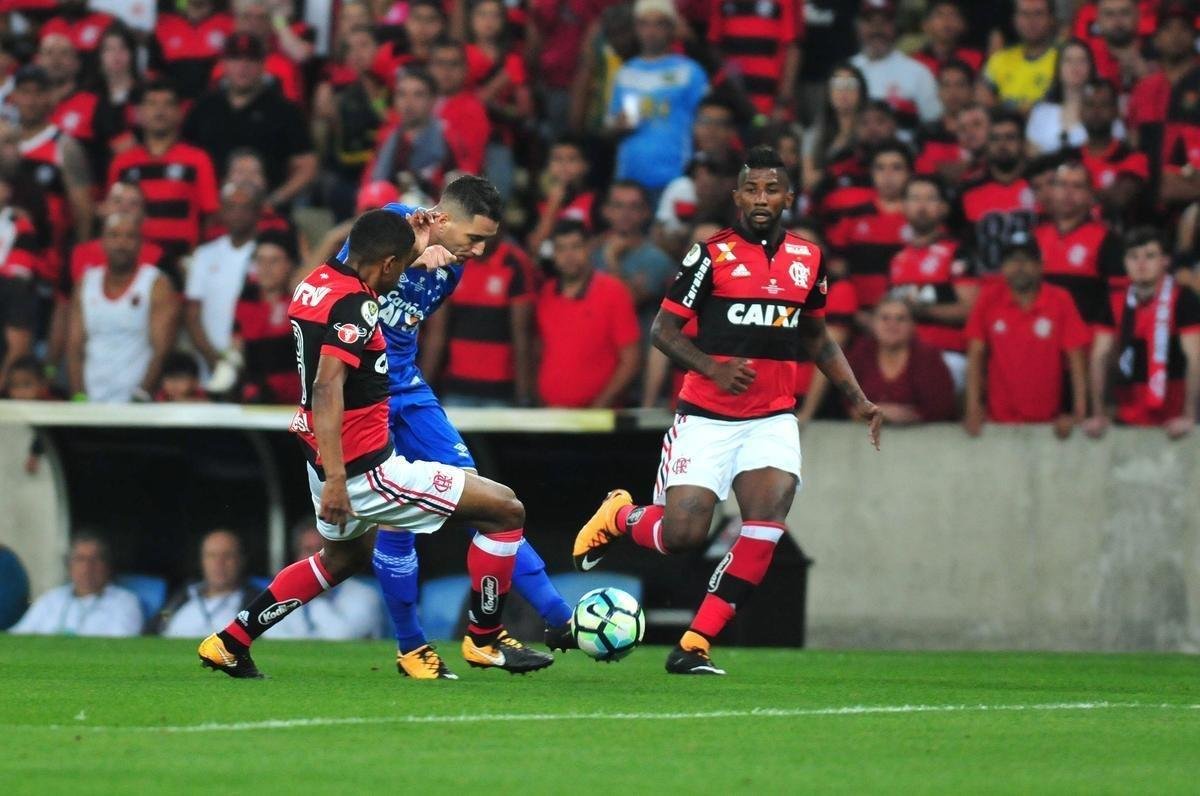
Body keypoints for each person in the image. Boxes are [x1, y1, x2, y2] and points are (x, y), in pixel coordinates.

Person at [197, 208, 555, 678]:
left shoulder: (316, 283)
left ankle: (229, 641)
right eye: (403, 263)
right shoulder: (359, 306)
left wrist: (417, 240)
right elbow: (328, 387)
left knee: (341, 558)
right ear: (386, 264)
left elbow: (371, 258)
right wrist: (341, 483)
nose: (407, 271)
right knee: (505, 510)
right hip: (366, 469)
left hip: (319, 454)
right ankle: (485, 639)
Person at [572, 146, 883, 675]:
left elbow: (816, 336)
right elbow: (662, 332)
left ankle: (695, 643)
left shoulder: (809, 260)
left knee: (767, 522)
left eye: (772, 189)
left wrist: (856, 396)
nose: (762, 199)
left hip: (772, 417)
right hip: (706, 414)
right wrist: (713, 368)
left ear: (788, 196)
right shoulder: (709, 256)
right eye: (752, 190)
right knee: (683, 536)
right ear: (737, 196)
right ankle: (621, 516)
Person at [337, 178, 575, 678]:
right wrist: (407, 257)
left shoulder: (451, 275)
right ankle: (412, 648)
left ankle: (553, 619)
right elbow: (338, 283)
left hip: (407, 390)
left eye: (488, 241)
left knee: (487, 501)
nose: (480, 251)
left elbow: (403, 333)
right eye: (474, 238)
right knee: (396, 526)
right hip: (360, 398)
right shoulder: (392, 222)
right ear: (442, 220)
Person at [963, 241, 1090, 437]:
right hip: (997, 423)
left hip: (1048, 424)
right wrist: (972, 408)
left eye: (1026, 260)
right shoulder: (989, 298)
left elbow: (1076, 357)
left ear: (1040, 266)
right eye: (1012, 261)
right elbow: (975, 353)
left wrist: (1078, 413)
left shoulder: (1060, 299)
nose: (1019, 267)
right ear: (1003, 268)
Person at [182, 33, 316, 212]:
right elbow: (184, 155)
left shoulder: (284, 110)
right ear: (224, 64)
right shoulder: (204, 107)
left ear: (263, 65)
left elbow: (307, 166)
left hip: (266, 210)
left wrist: (275, 199)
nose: (243, 66)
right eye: (235, 58)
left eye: (251, 59)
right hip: (211, 210)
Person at [1087, 227, 1200, 438]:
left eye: (1150, 256)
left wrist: (1190, 416)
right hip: (1127, 414)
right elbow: (1098, 356)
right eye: (1133, 257)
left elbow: (1195, 358)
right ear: (1124, 262)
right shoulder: (1114, 301)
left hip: (1173, 417)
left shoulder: (1183, 299)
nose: (1140, 264)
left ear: (1165, 261)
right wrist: (1098, 413)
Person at [65, 213, 178, 402]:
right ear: (102, 242)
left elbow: (162, 349)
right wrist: (79, 395)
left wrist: (142, 393)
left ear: (141, 243)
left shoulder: (156, 284)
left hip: (135, 401)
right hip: (90, 398)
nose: (121, 243)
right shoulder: (86, 283)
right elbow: (74, 346)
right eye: (114, 235)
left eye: (129, 236)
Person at [606, 0, 708, 202]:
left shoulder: (689, 72)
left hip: (674, 176)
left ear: (671, 28)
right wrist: (618, 126)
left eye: (658, 24)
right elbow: (610, 124)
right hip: (630, 178)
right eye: (644, 24)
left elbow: (705, 125)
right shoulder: (626, 72)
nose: (650, 31)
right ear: (636, 28)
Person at [108, 79, 220, 262]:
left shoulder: (198, 159)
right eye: (151, 104)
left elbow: (210, 215)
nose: (159, 111)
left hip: (182, 260)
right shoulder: (122, 163)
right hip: (134, 260)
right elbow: (113, 215)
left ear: (179, 113)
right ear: (140, 113)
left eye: (167, 104)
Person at [420, 234, 536, 408]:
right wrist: (421, 390)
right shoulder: (452, 261)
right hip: (456, 387)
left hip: (501, 391)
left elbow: (522, 337)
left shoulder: (515, 263)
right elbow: (437, 334)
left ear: (499, 228)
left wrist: (524, 395)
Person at [537, 220, 641, 408]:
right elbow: (539, 351)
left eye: (576, 247)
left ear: (589, 248)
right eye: (561, 249)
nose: (569, 255)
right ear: (553, 254)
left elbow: (631, 360)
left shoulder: (613, 291)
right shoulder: (546, 293)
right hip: (550, 417)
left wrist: (601, 405)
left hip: (599, 422)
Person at [888, 174, 977, 386]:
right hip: (903, 357)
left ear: (944, 208)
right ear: (904, 206)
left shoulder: (958, 252)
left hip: (948, 356)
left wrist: (921, 311)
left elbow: (971, 310)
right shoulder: (897, 258)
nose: (922, 206)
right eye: (915, 198)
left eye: (930, 199)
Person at [1033, 160, 1124, 334]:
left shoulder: (1108, 240)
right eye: (1061, 185)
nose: (1068, 193)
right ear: (1051, 192)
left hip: (1086, 340)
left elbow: (1117, 301)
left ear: (1090, 196)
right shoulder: (1035, 237)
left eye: (1077, 186)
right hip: (1041, 336)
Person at [12, 64, 93, 257]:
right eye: (25, 92)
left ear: (49, 97)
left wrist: (80, 259)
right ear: (14, 96)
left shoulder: (65, 147)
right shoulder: (4, 143)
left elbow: (83, 212)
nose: (31, 101)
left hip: (47, 260)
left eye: (38, 93)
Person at [183, 181, 261, 381]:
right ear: (222, 212)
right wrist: (215, 360)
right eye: (231, 207)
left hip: (257, 363)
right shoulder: (204, 255)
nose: (238, 214)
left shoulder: (267, 255)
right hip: (210, 362)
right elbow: (192, 315)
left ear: (256, 211)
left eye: (245, 207)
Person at [825, 139, 912, 313]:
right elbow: (836, 266)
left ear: (909, 173)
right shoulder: (853, 217)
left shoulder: (918, 219)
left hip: (907, 316)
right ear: (871, 173)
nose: (888, 175)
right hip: (859, 316)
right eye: (880, 168)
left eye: (896, 168)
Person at [846, 298, 958, 423]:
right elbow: (848, 401)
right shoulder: (860, 352)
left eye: (901, 319)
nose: (892, 324)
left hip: (921, 435)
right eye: (885, 318)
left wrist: (907, 416)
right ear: (873, 324)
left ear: (912, 326)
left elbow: (942, 408)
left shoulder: (928, 356)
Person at [265, 525, 385, 640]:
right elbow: (271, 636)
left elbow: (343, 637)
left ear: (338, 555)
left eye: (321, 550)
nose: (314, 557)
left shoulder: (365, 594)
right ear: (297, 556)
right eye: (308, 550)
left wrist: (317, 596)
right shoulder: (285, 591)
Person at [957, 108, 1038, 277]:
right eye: (995, 139)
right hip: (987, 286)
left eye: (1010, 138)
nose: (1002, 145)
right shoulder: (968, 191)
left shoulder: (1039, 186)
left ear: (1023, 142)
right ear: (987, 144)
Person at [10, 535, 142, 637]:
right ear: (69, 566)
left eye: (95, 559)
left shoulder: (125, 602)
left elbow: (123, 645)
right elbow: (18, 636)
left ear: (107, 566)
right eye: (80, 559)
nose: (87, 567)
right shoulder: (51, 599)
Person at [593, 180, 676, 334]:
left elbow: (628, 301)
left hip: (636, 349)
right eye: (618, 206)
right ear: (606, 211)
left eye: (634, 207)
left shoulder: (657, 260)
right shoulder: (591, 251)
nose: (625, 213)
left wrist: (611, 259)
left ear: (646, 212)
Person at [850, 0, 942, 133]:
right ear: (859, 27)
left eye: (884, 23)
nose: (877, 30)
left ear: (895, 26)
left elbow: (933, 122)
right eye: (870, 22)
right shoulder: (846, 71)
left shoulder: (918, 72)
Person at [232, 230, 301, 404]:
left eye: (274, 261)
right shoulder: (245, 304)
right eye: (260, 261)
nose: (265, 268)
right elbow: (241, 350)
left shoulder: (303, 301)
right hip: (256, 397)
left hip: (298, 402)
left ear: (290, 265)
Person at [705, 0, 801, 119]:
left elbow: (792, 47)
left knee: (763, 130)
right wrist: (730, 79)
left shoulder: (784, 2)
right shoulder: (719, 2)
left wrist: (783, 99)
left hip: (768, 98)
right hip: (732, 98)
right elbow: (714, 44)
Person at [365, 69, 452, 198]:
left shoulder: (447, 138)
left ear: (433, 100)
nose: (408, 102)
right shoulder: (387, 136)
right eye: (401, 94)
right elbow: (370, 182)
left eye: (418, 95)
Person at [1027, 39, 1120, 155]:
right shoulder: (1041, 112)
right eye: (1068, 60)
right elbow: (1032, 155)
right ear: (1058, 68)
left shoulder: (1105, 110)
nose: (1075, 66)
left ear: (1091, 67)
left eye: (1082, 61)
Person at [1078, 79, 1149, 226]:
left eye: (1104, 105)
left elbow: (1120, 198)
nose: (1096, 111)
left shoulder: (1133, 157)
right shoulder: (1067, 156)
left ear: (1116, 110)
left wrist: (1072, 194)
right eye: (1090, 105)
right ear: (1080, 112)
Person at [158, 530, 254, 638]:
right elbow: (159, 621)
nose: (219, 563)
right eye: (211, 556)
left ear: (241, 560)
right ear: (202, 560)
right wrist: (164, 616)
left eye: (227, 555)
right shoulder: (180, 596)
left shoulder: (256, 602)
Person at [428, 38, 491, 178]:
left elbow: (469, 166)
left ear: (465, 69)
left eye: (453, 64)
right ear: (429, 67)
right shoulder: (416, 98)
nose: (446, 71)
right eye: (440, 63)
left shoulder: (473, 110)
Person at [152, 0, 236, 101]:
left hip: (217, 102)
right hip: (174, 105)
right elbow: (153, 71)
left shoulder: (230, 23)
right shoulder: (164, 24)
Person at [983, 0, 1059, 111]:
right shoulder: (999, 59)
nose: (1031, 21)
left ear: (1051, 19)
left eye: (1038, 14)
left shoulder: (1064, 59)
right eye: (1024, 14)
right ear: (1015, 19)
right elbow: (983, 99)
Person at [912, 0, 983, 77]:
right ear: (925, 25)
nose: (947, 21)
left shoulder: (976, 59)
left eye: (953, 15)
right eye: (940, 15)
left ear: (963, 24)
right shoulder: (915, 62)